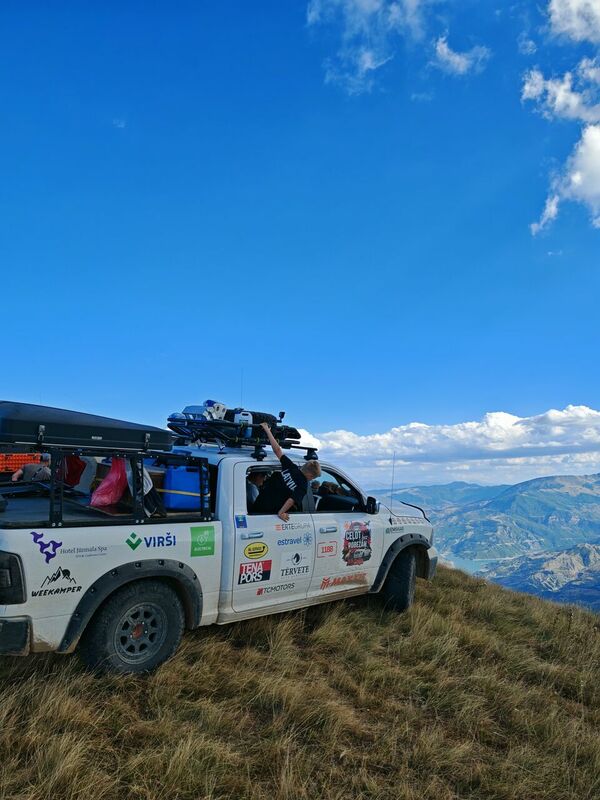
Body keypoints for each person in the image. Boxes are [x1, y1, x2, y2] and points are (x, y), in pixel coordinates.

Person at [252, 422, 321, 521]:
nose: (311, 479)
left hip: (259, 504)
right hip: (268, 513)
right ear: (310, 475)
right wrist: (281, 512)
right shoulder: (302, 485)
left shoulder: (291, 466)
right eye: (313, 477)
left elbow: (277, 450)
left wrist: (267, 430)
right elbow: (292, 500)